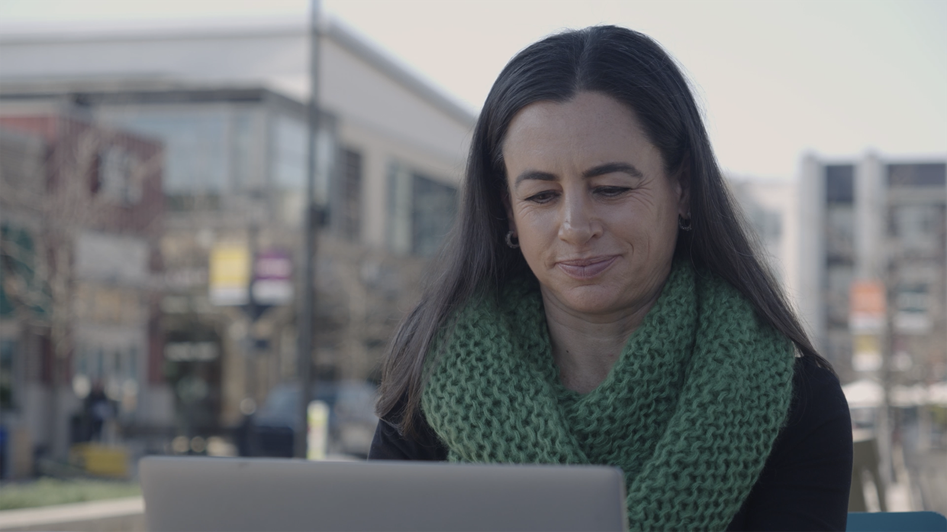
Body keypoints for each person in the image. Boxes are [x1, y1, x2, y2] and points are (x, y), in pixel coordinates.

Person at [369, 25, 852, 531]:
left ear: (682, 187)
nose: (576, 227)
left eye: (611, 188)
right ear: (507, 212)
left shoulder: (795, 404)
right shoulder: (430, 369)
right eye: (541, 196)